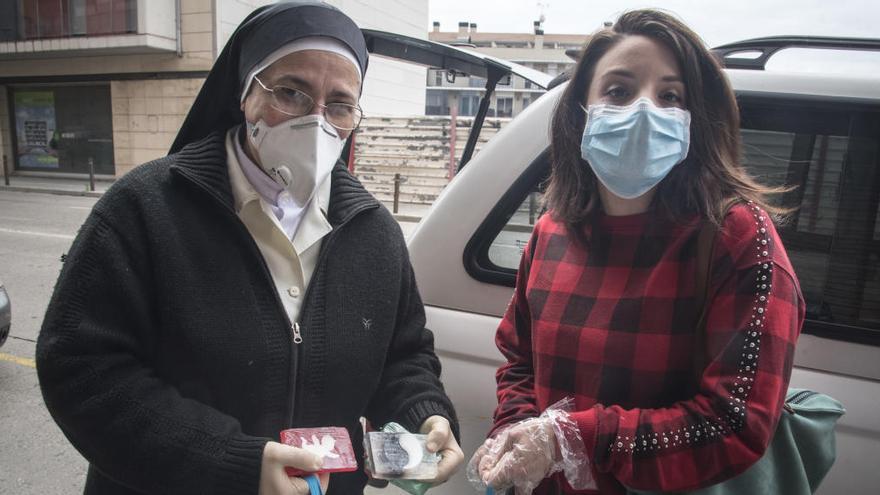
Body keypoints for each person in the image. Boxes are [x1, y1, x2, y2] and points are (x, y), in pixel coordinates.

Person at [36, 2, 463, 494]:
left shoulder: (375, 232)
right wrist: (232, 462)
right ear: (245, 94)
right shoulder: (143, 210)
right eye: (291, 93)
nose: (317, 121)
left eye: (340, 104)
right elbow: (81, 369)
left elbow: (404, 355)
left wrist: (422, 413)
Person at [469, 9, 804, 495]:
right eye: (619, 91)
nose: (645, 110)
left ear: (694, 120)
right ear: (580, 110)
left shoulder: (738, 236)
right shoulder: (551, 231)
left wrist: (572, 438)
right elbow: (519, 360)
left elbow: (736, 422)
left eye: (670, 96)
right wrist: (521, 432)